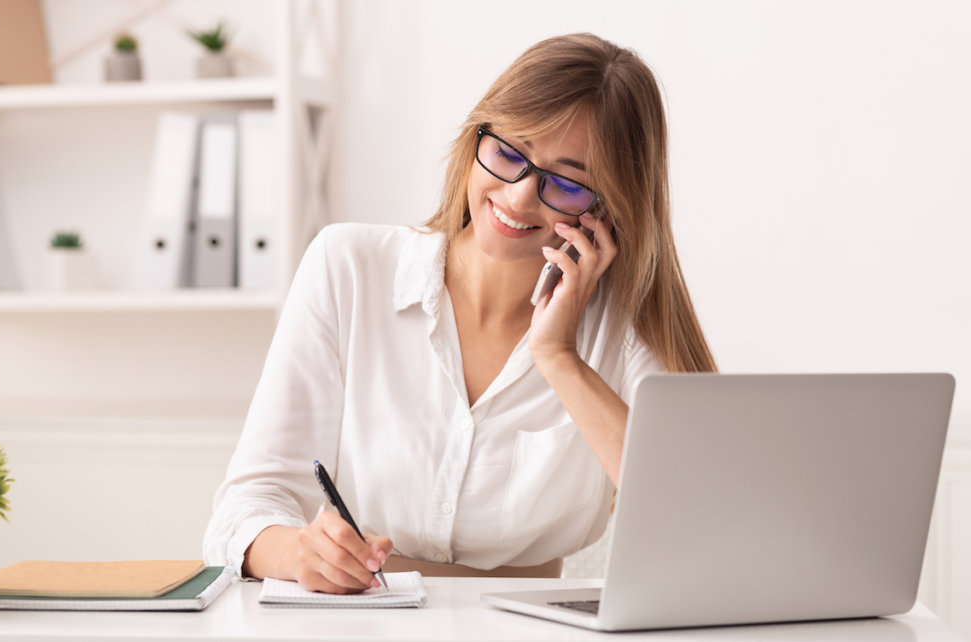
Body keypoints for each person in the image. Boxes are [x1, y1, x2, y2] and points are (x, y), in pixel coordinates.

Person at [204, 32, 716, 594]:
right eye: (508, 154)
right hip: (361, 624)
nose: (520, 198)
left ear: (610, 207)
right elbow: (243, 509)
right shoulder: (347, 265)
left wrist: (558, 357)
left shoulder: (622, 326)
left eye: (567, 183)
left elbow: (698, 522)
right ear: (478, 136)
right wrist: (298, 552)